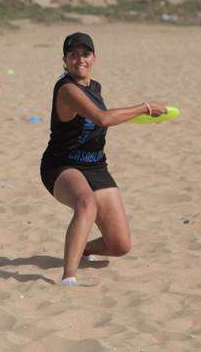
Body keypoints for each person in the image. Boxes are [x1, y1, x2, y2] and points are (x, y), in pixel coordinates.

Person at [39, 32, 167, 286]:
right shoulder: (66, 89)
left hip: (95, 165)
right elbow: (102, 118)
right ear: (64, 60)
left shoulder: (95, 87)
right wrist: (145, 107)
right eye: (72, 55)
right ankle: (68, 278)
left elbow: (104, 118)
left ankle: (83, 248)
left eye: (85, 54)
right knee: (86, 204)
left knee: (119, 245)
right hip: (62, 164)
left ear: (94, 57)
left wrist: (135, 115)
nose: (79, 59)